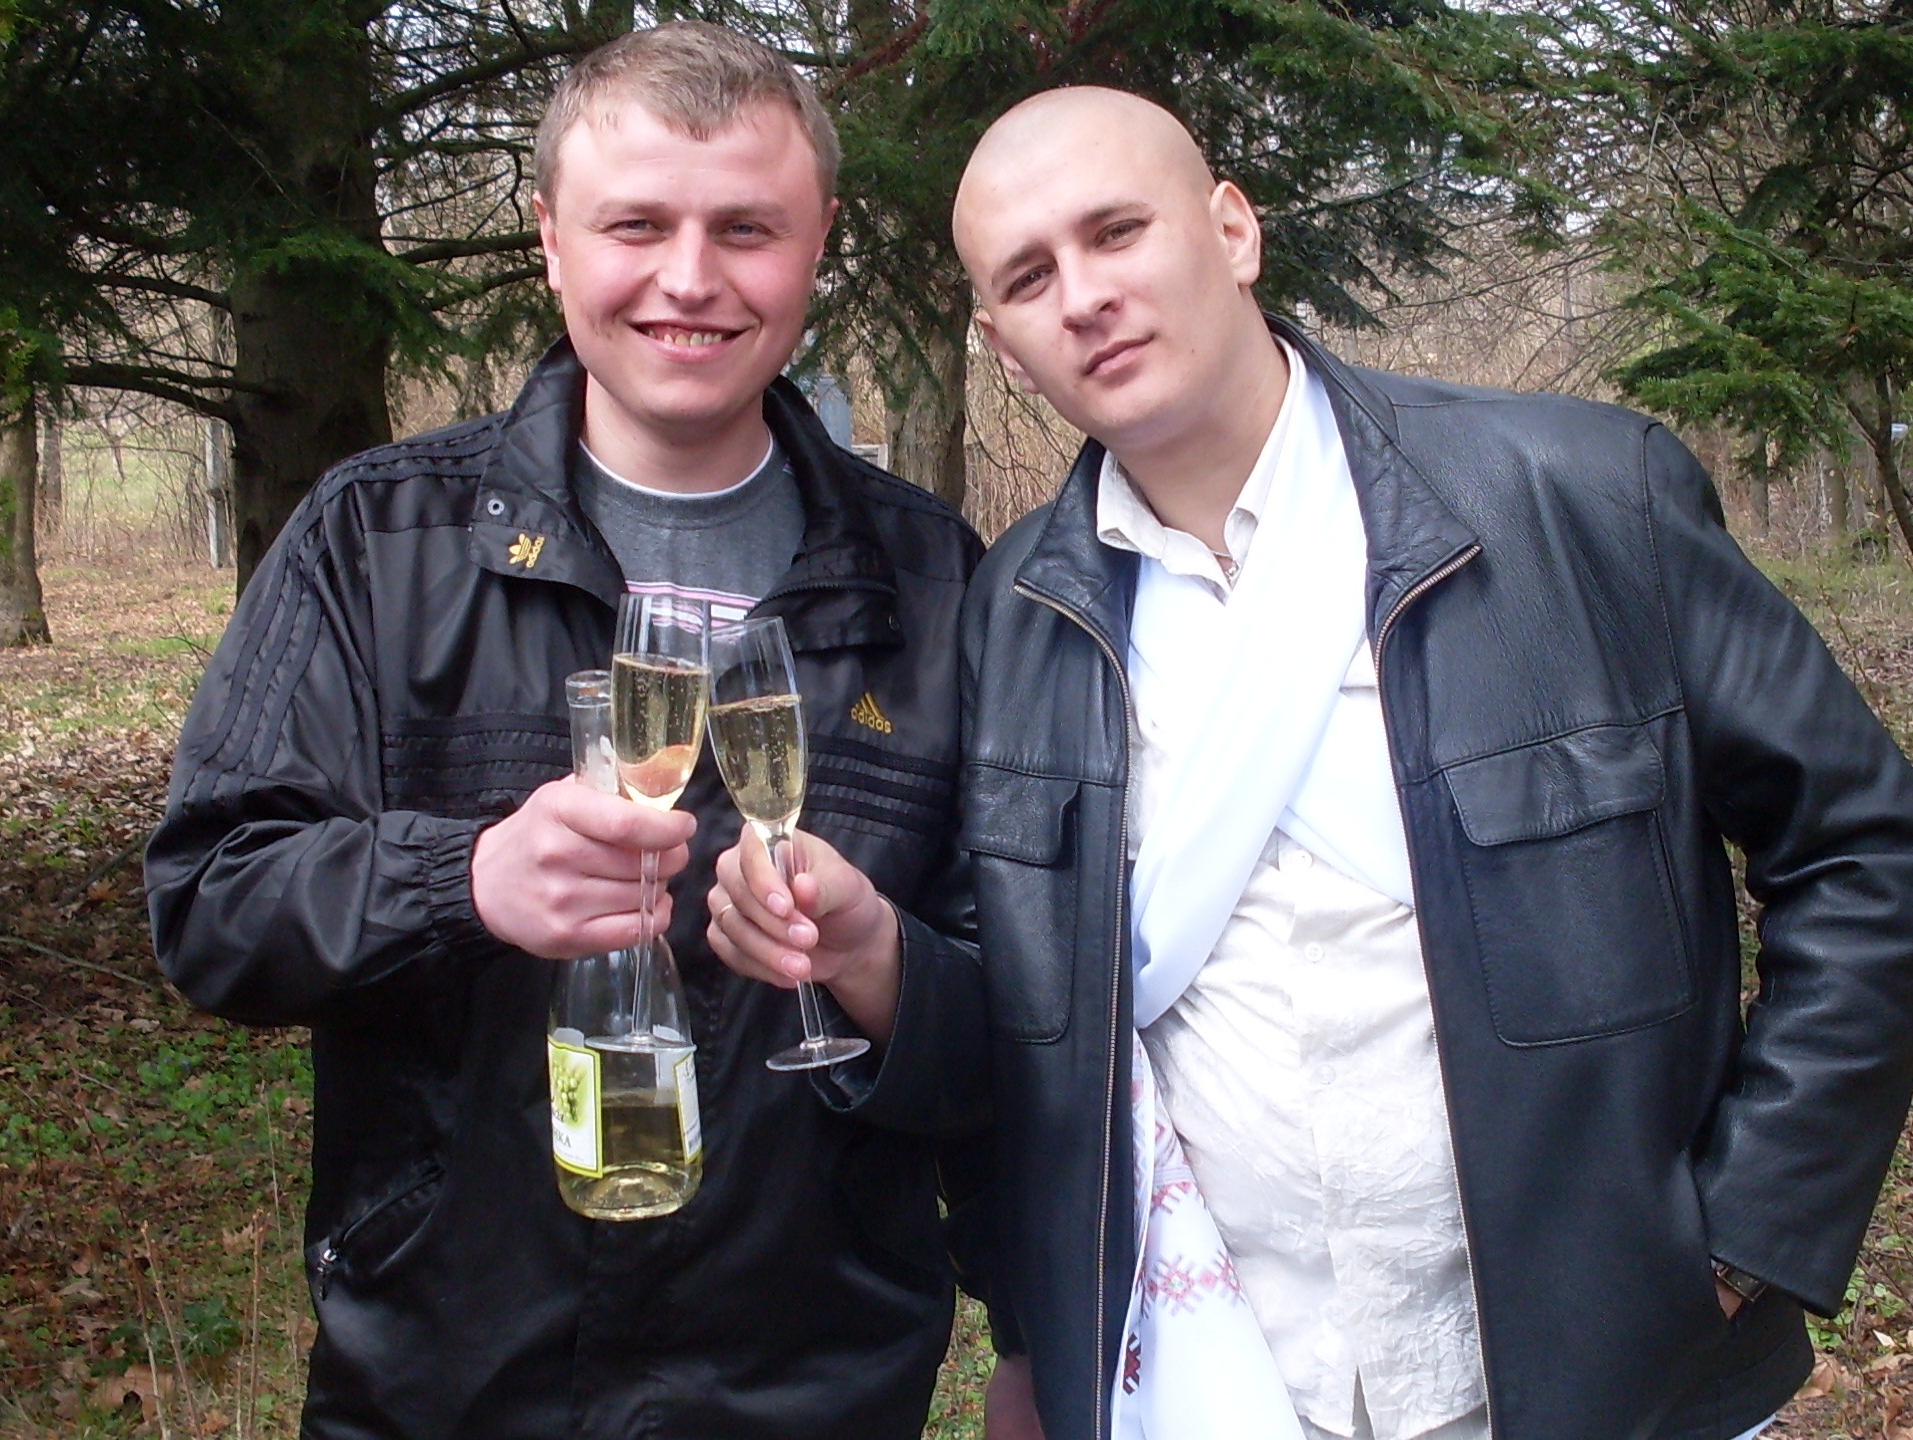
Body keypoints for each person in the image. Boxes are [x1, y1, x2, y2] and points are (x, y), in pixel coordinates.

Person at [709, 86, 1913, 1440]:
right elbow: (1031, 1043)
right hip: (1210, 1376)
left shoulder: (1579, 496)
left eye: (1118, 232)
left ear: (1233, 230)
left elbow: (1865, 851)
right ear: (1001, 343)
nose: (1086, 297)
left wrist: (1747, 1230)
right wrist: (880, 966)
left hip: (1607, 1381)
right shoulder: (1015, 617)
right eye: (1030, 277)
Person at [144, 22, 984, 1440]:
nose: (690, 278)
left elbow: (1029, 1024)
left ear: (819, 244)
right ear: (548, 238)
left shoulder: (939, 582)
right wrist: (459, 880)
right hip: (446, 1382)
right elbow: (211, 910)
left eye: (746, 229)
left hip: (814, 1388)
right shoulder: (375, 542)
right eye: (635, 224)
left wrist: (881, 965)